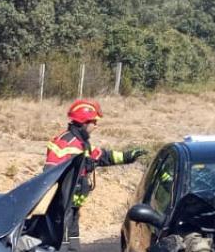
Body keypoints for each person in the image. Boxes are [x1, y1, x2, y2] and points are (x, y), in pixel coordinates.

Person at [44, 99, 147, 242]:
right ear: (83, 122)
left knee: (73, 241)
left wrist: (127, 157)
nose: (96, 126)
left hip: (72, 207)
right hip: (61, 208)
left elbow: (101, 156)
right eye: (94, 122)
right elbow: (49, 177)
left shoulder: (80, 143)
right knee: (61, 245)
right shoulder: (65, 144)